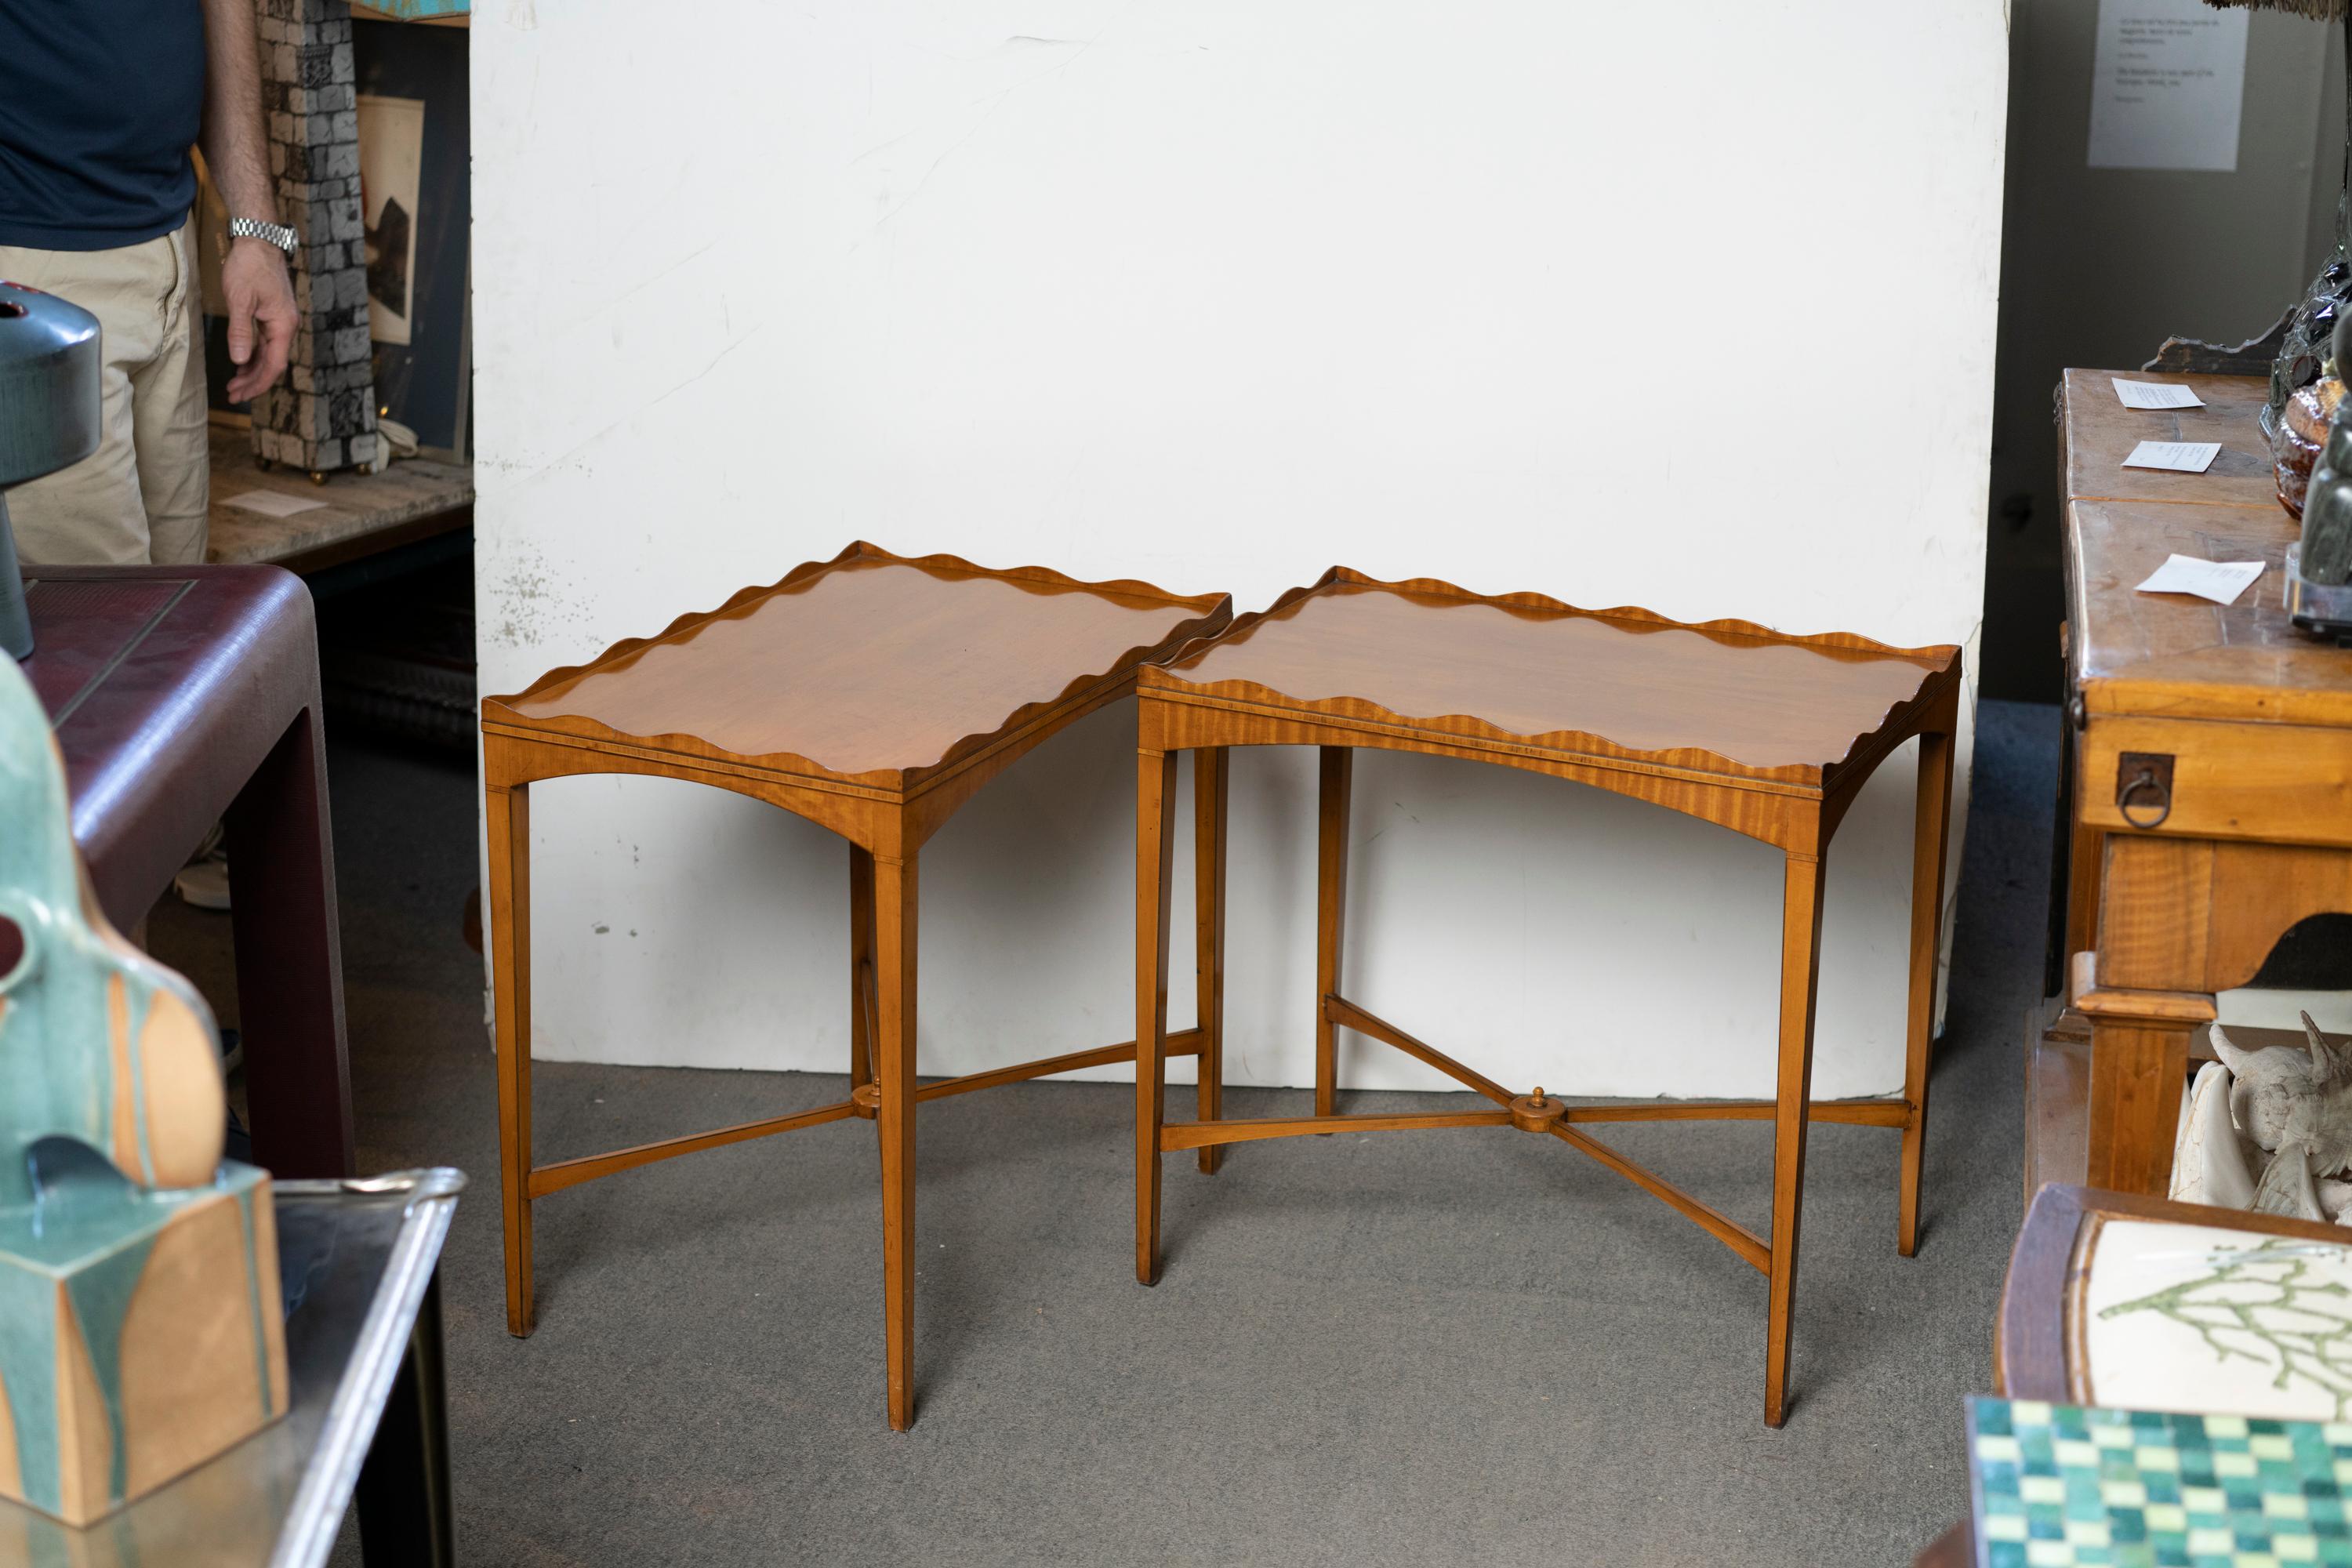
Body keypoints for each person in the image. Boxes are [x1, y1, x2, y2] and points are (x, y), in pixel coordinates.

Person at [0, 0, 297, 568]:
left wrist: (257, 231)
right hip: (34, 273)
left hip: (169, 252)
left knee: (174, 611)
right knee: (96, 636)